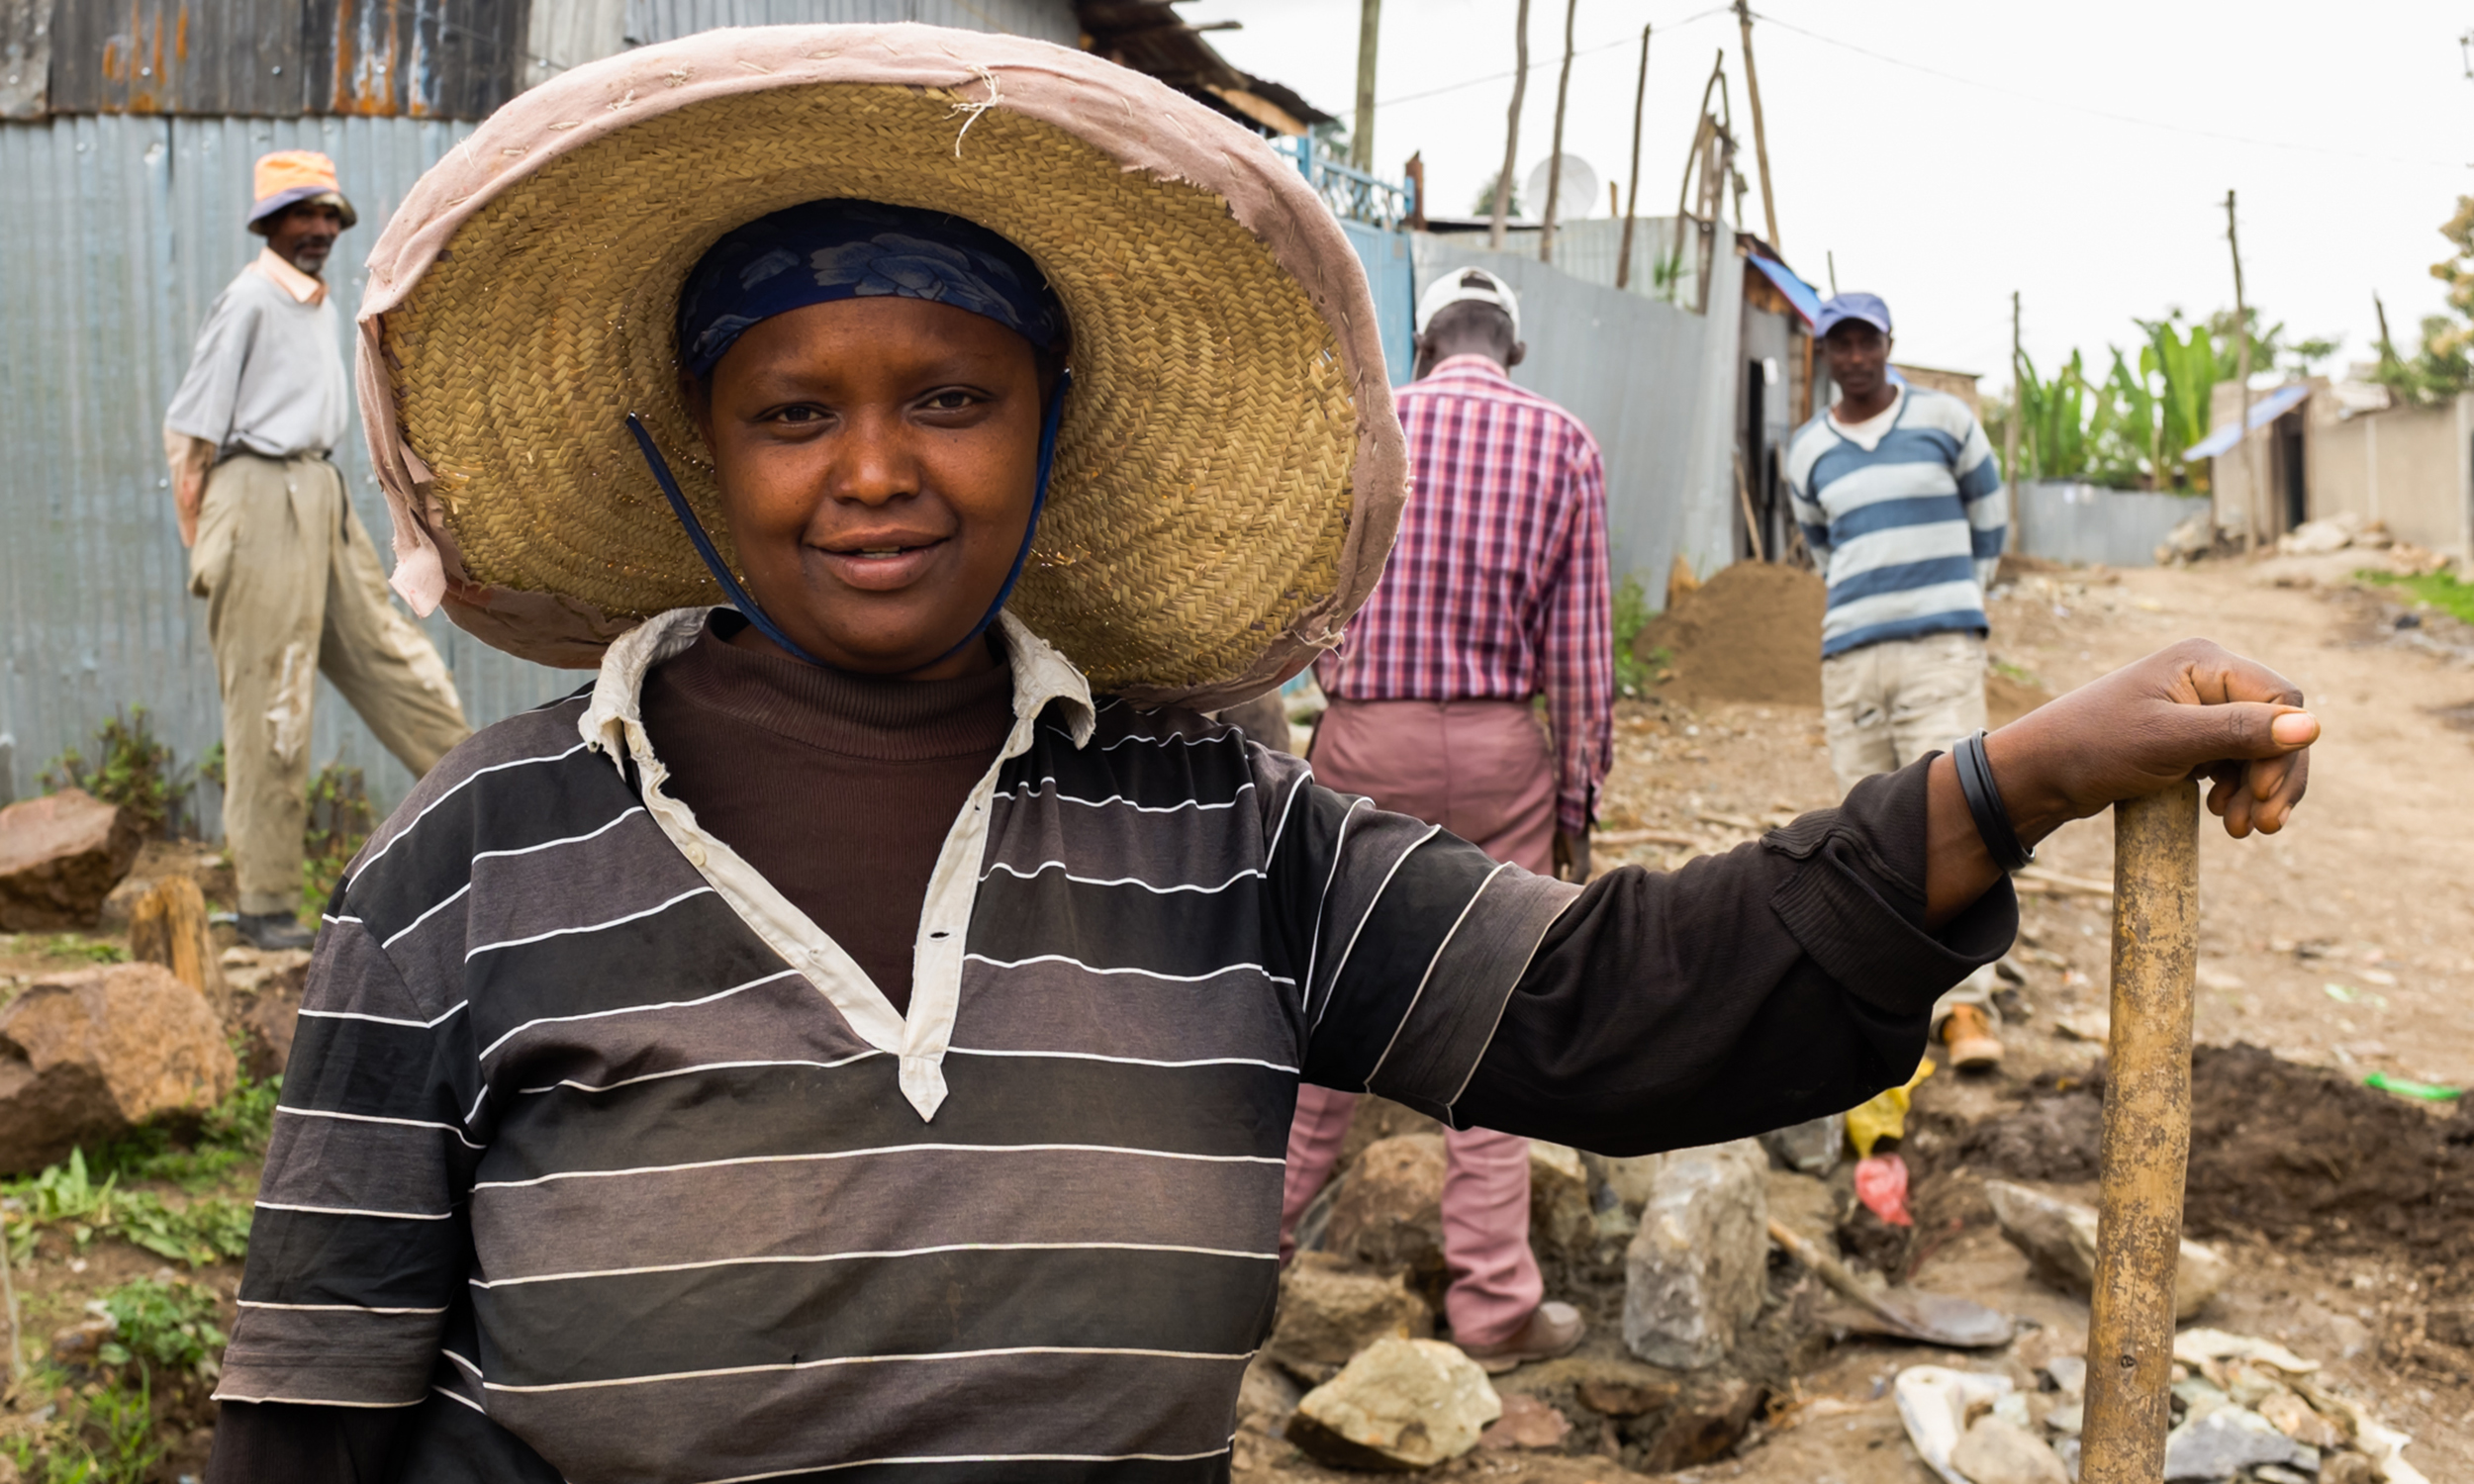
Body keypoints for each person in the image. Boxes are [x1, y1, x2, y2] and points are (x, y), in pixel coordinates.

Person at [206, 27, 2317, 1482]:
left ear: (1044, 440)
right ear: (699, 464)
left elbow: (1619, 1010)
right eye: (788, 411)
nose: (869, 470)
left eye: (945, 395)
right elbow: (307, 1415)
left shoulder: (1209, 820)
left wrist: (2011, 774)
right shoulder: (475, 856)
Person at [1280, 265, 1611, 1371]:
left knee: (1323, 1008)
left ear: (1422, 346)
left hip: (1364, 741)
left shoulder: (1367, 429)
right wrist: (1576, 805)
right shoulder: (1561, 442)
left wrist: (1344, 678)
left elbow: (1301, 594)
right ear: (1509, 349)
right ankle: (1495, 1305)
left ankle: (1244, 1270)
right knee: (1493, 1013)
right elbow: (1580, 657)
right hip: (1498, 752)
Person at [162, 149, 471, 952]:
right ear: (270, 223)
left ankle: (497, 824)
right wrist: (213, 543)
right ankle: (265, 902)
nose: (320, 230)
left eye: (330, 216)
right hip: (258, 497)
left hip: (318, 494)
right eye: (304, 215)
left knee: (398, 664)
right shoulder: (252, 300)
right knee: (273, 699)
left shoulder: (317, 300)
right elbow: (189, 432)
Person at [1786, 291, 2011, 1069]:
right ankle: (1891, 1011)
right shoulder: (1807, 449)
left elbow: (1990, 520)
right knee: (1867, 833)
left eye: (1865, 342)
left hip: (1939, 651)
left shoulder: (1945, 421)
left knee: (1961, 817)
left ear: (1888, 344)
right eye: (1839, 345)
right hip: (1851, 657)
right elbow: (1820, 545)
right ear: (1825, 354)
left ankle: (1967, 1012)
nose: (1853, 357)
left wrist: (1951, 599)